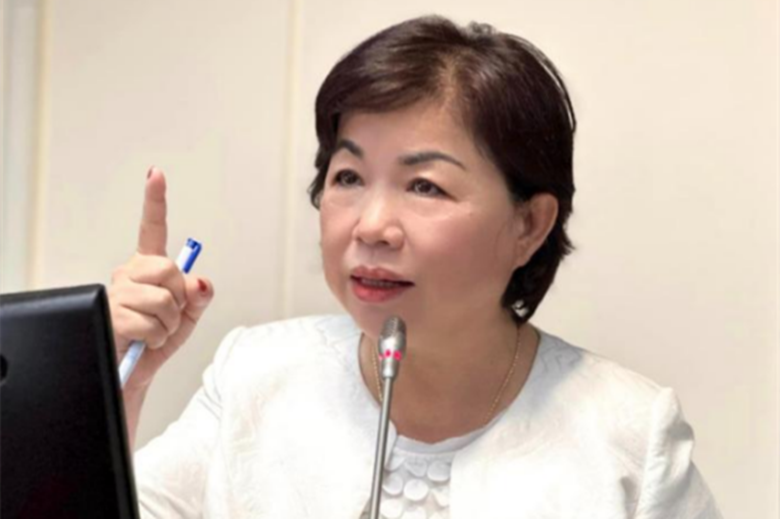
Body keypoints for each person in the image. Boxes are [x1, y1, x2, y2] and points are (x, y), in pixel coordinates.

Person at [109, 15, 723, 518]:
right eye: (348, 177)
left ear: (529, 225)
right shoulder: (256, 374)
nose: (371, 225)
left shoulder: (629, 435)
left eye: (425, 186)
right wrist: (121, 383)